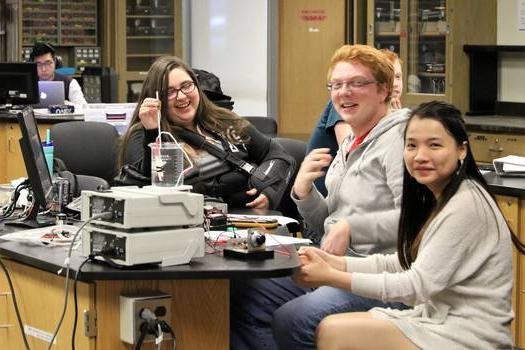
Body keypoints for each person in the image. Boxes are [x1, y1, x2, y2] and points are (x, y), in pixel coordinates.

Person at [297, 100, 524, 349]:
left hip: (468, 336)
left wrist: (331, 276)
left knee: (332, 331)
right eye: (411, 146)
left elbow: (416, 285)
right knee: (332, 330)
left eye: (434, 145)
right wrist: (335, 262)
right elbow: (404, 261)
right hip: (436, 320)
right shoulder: (439, 196)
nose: (420, 156)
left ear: (462, 150)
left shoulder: (467, 204)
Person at [230, 44, 411, 349]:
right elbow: (329, 224)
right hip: (336, 264)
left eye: (356, 83)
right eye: (337, 85)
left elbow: (416, 218)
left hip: (383, 274)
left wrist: (353, 227)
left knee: (295, 318)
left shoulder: (401, 139)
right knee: (243, 296)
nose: (344, 92)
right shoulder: (353, 139)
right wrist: (303, 192)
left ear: (383, 90)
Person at [119, 56, 294, 210]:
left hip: (254, 220)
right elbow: (150, 187)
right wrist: (152, 131)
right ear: (156, 98)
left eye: (186, 86)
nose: (181, 96)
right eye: (170, 92)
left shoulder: (225, 120)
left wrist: (269, 189)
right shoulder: (144, 133)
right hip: (192, 225)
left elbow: (278, 154)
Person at [307, 49, 403, 196]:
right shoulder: (349, 115)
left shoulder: (399, 133)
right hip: (326, 198)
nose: (394, 84)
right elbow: (352, 156)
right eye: (337, 85)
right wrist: (304, 194)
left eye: (398, 77)